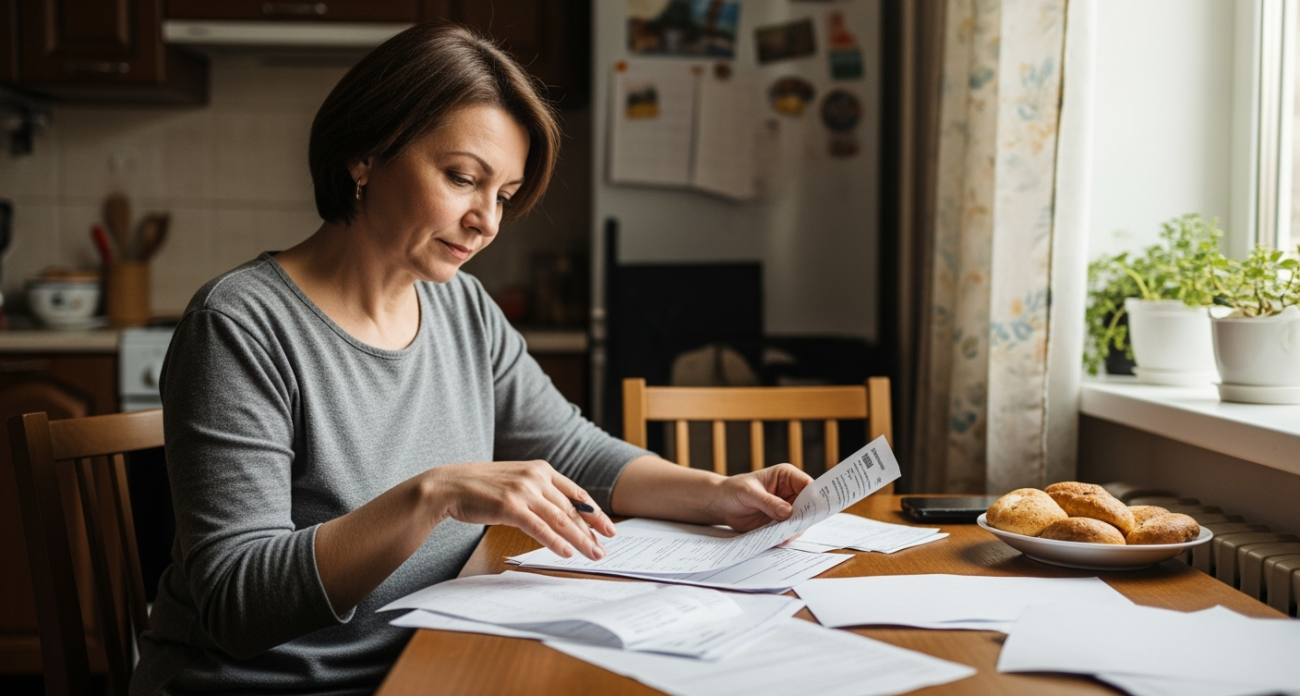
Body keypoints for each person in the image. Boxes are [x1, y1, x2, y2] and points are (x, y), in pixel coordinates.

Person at [131, 23, 811, 695]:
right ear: (366, 155)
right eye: (463, 179)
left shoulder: (463, 307)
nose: (487, 220)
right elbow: (235, 602)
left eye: (505, 196)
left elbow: (571, 448)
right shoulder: (240, 326)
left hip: (434, 662)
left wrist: (716, 493)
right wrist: (437, 494)